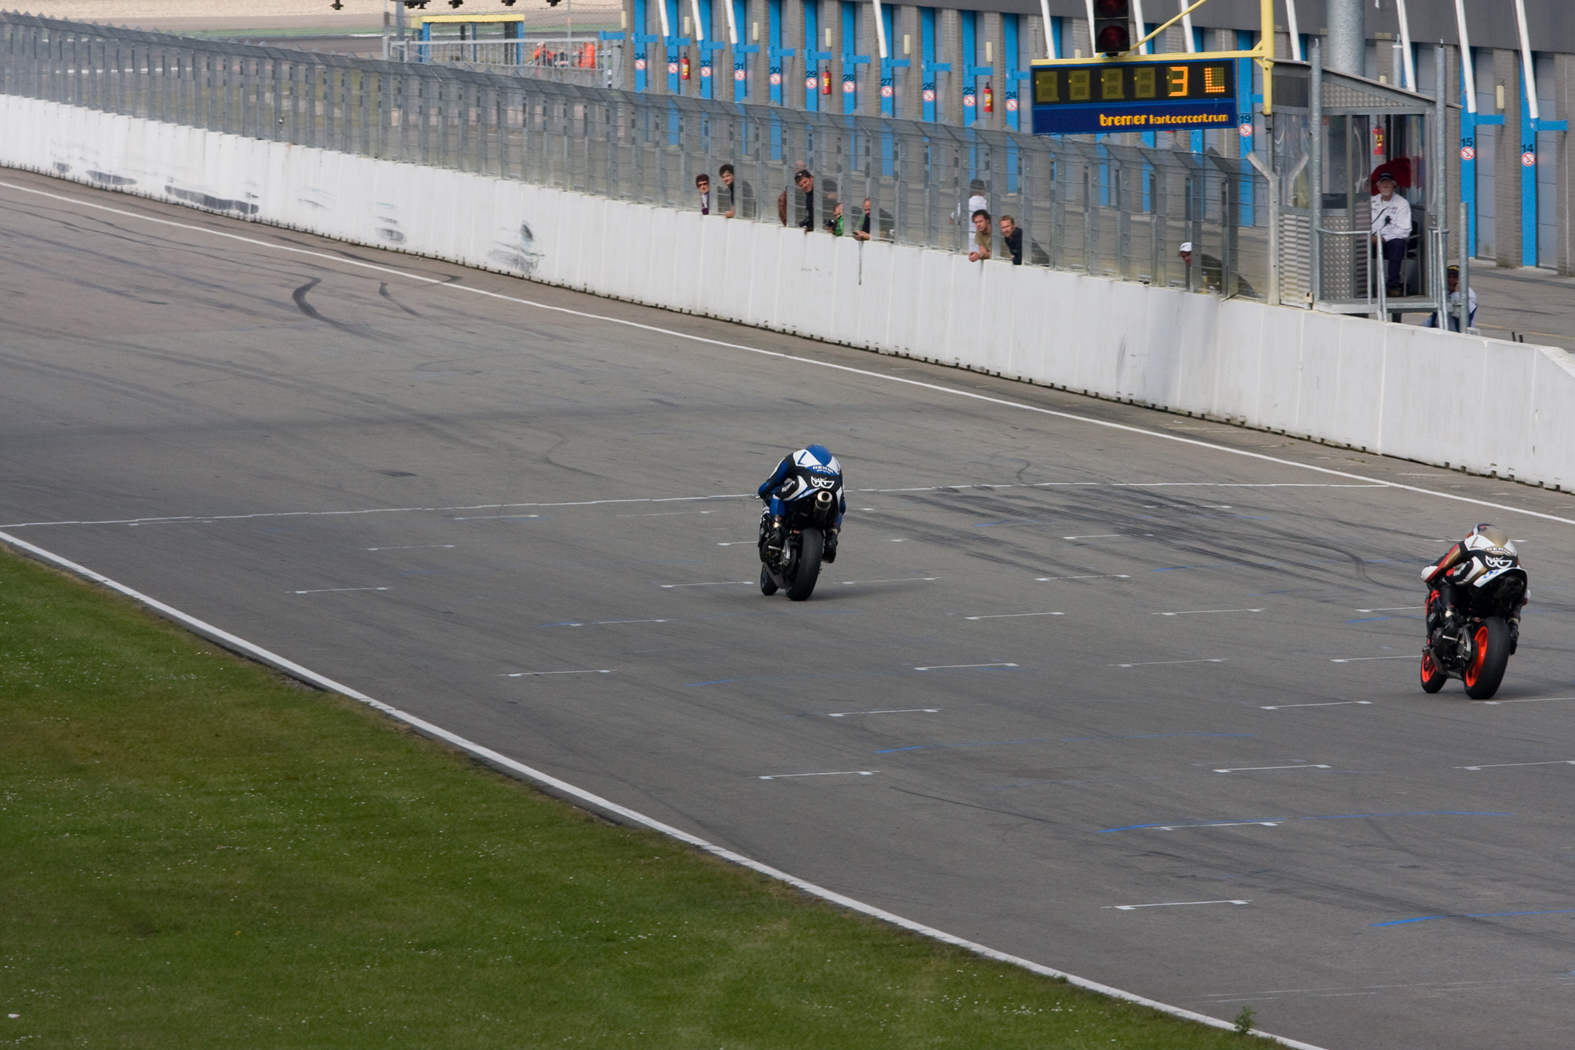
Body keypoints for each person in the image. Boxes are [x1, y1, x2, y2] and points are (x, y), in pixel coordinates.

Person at [1422, 524, 1526, 654]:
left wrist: (1429, 572)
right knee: (1518, 597)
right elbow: (1524, 593)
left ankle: (1449, 620)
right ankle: (1513, 629)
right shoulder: (1510, 547)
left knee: (1445, 578)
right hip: (1517, 576)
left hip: (1482, 568)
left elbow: (1438, 567)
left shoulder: (1472, 541)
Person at [757, 444, 846, 562]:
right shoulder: (836, 463)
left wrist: (765, 496)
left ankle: (776, 531)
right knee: (838, 508)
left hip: (805, 486)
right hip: (834, 491)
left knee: (776, 494)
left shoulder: (794, 457)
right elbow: (843, 506)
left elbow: (768, 486)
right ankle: (832, 537)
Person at [1371, 172, 1411, 297]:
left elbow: (1405, 229)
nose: (1385, 186)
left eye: (1388, 183)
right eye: (1383, 183)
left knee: (1397, 245)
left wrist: (1383, 238)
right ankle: (1362, 284)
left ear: (1394, 186)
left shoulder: (1402, 203)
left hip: (1390, 239)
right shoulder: (1371, 201)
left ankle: (1393, 286)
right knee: (1356, 243)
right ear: (1378, 187)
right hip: (1371, 238)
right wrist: (1369, 237)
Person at [1424, 265, 1479, 332]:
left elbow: (1458, 314)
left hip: (1459, 334)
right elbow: (1436, 316)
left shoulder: (1469, 295)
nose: (1451, 280)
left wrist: (1456, 293)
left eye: (1455, 277)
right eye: (1449, 277)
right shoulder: (1445, 292)